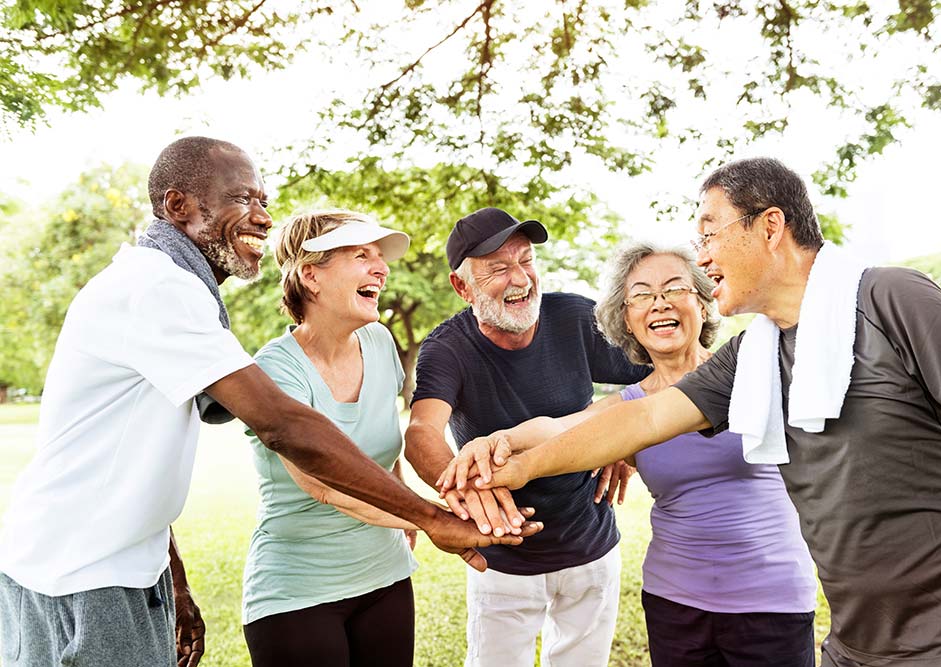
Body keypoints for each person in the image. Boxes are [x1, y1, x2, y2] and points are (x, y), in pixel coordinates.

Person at [0, 137, 539, 667]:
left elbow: (136, 457)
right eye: (242, 199)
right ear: (177, 206)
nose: (261, 217)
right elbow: (285, 426)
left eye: (263, 201)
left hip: (127, 568)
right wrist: (431, 518)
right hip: (77, 574)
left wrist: (172, 580)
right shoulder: (156, 287)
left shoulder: (181, 294)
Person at [459, 158, 941, 667]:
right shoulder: (757, 354)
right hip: (855, 642)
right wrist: (516, 462)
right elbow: (642, 419)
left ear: (769, 227)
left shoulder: (892, 299)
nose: (704, 254)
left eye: (710, 233)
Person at [444, 241, 817, 666]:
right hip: (675, 603)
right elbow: (560, 427)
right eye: (641, 295)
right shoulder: (629, 406)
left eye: (674, 289)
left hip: (772, 601)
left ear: (703, 300)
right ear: (627, 319)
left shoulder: (754, 372)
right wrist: (496, 441)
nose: (658, 304)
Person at [405, 207, 647, 667]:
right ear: (462, 287)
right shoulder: (447, 348)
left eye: (526, 260)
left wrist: (624, 443)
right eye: (498, 268)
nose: (520, 278)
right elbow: (421, 432)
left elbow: (664, 373)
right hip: (503, 560)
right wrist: (467, 492)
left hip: (591, 549)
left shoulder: (575, 317)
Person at [240, 209, 421, 666]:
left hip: (386, 576)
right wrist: (424, 517)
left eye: (380, 257)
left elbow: (383, 448)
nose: (380, 268)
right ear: (310, 276)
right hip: (297, 590)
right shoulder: (276, 369)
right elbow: (323, 483)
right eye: (361, 255)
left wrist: (401, 507)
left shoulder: (379, 343)